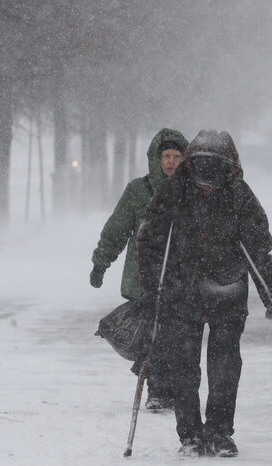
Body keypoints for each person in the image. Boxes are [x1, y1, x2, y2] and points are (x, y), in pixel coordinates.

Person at [137, 129, 272, 457]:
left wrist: (271, 288)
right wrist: (152, 286)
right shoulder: (172, 191)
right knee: (184, 366)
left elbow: (258, 246)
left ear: (227, 168)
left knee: (225, 367)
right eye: (202, 171)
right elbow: (150, 241)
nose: (207, 182)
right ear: (192, 165)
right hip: (181, 292)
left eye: (214, 172)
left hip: (227, 291)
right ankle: (190, 435)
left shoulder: (238, 194)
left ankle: (219, 432)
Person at [90, 128, 188, 412]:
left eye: (177, 156)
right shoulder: (138, 191)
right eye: (166, 156)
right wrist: (101, 262)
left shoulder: (192, 191)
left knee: (177, 334)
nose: (171, 161)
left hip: (181, 275)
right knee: (152, 334)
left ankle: (176, 387)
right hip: (144, 274)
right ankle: (157, 389)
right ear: (156, 159)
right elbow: (117, 230)